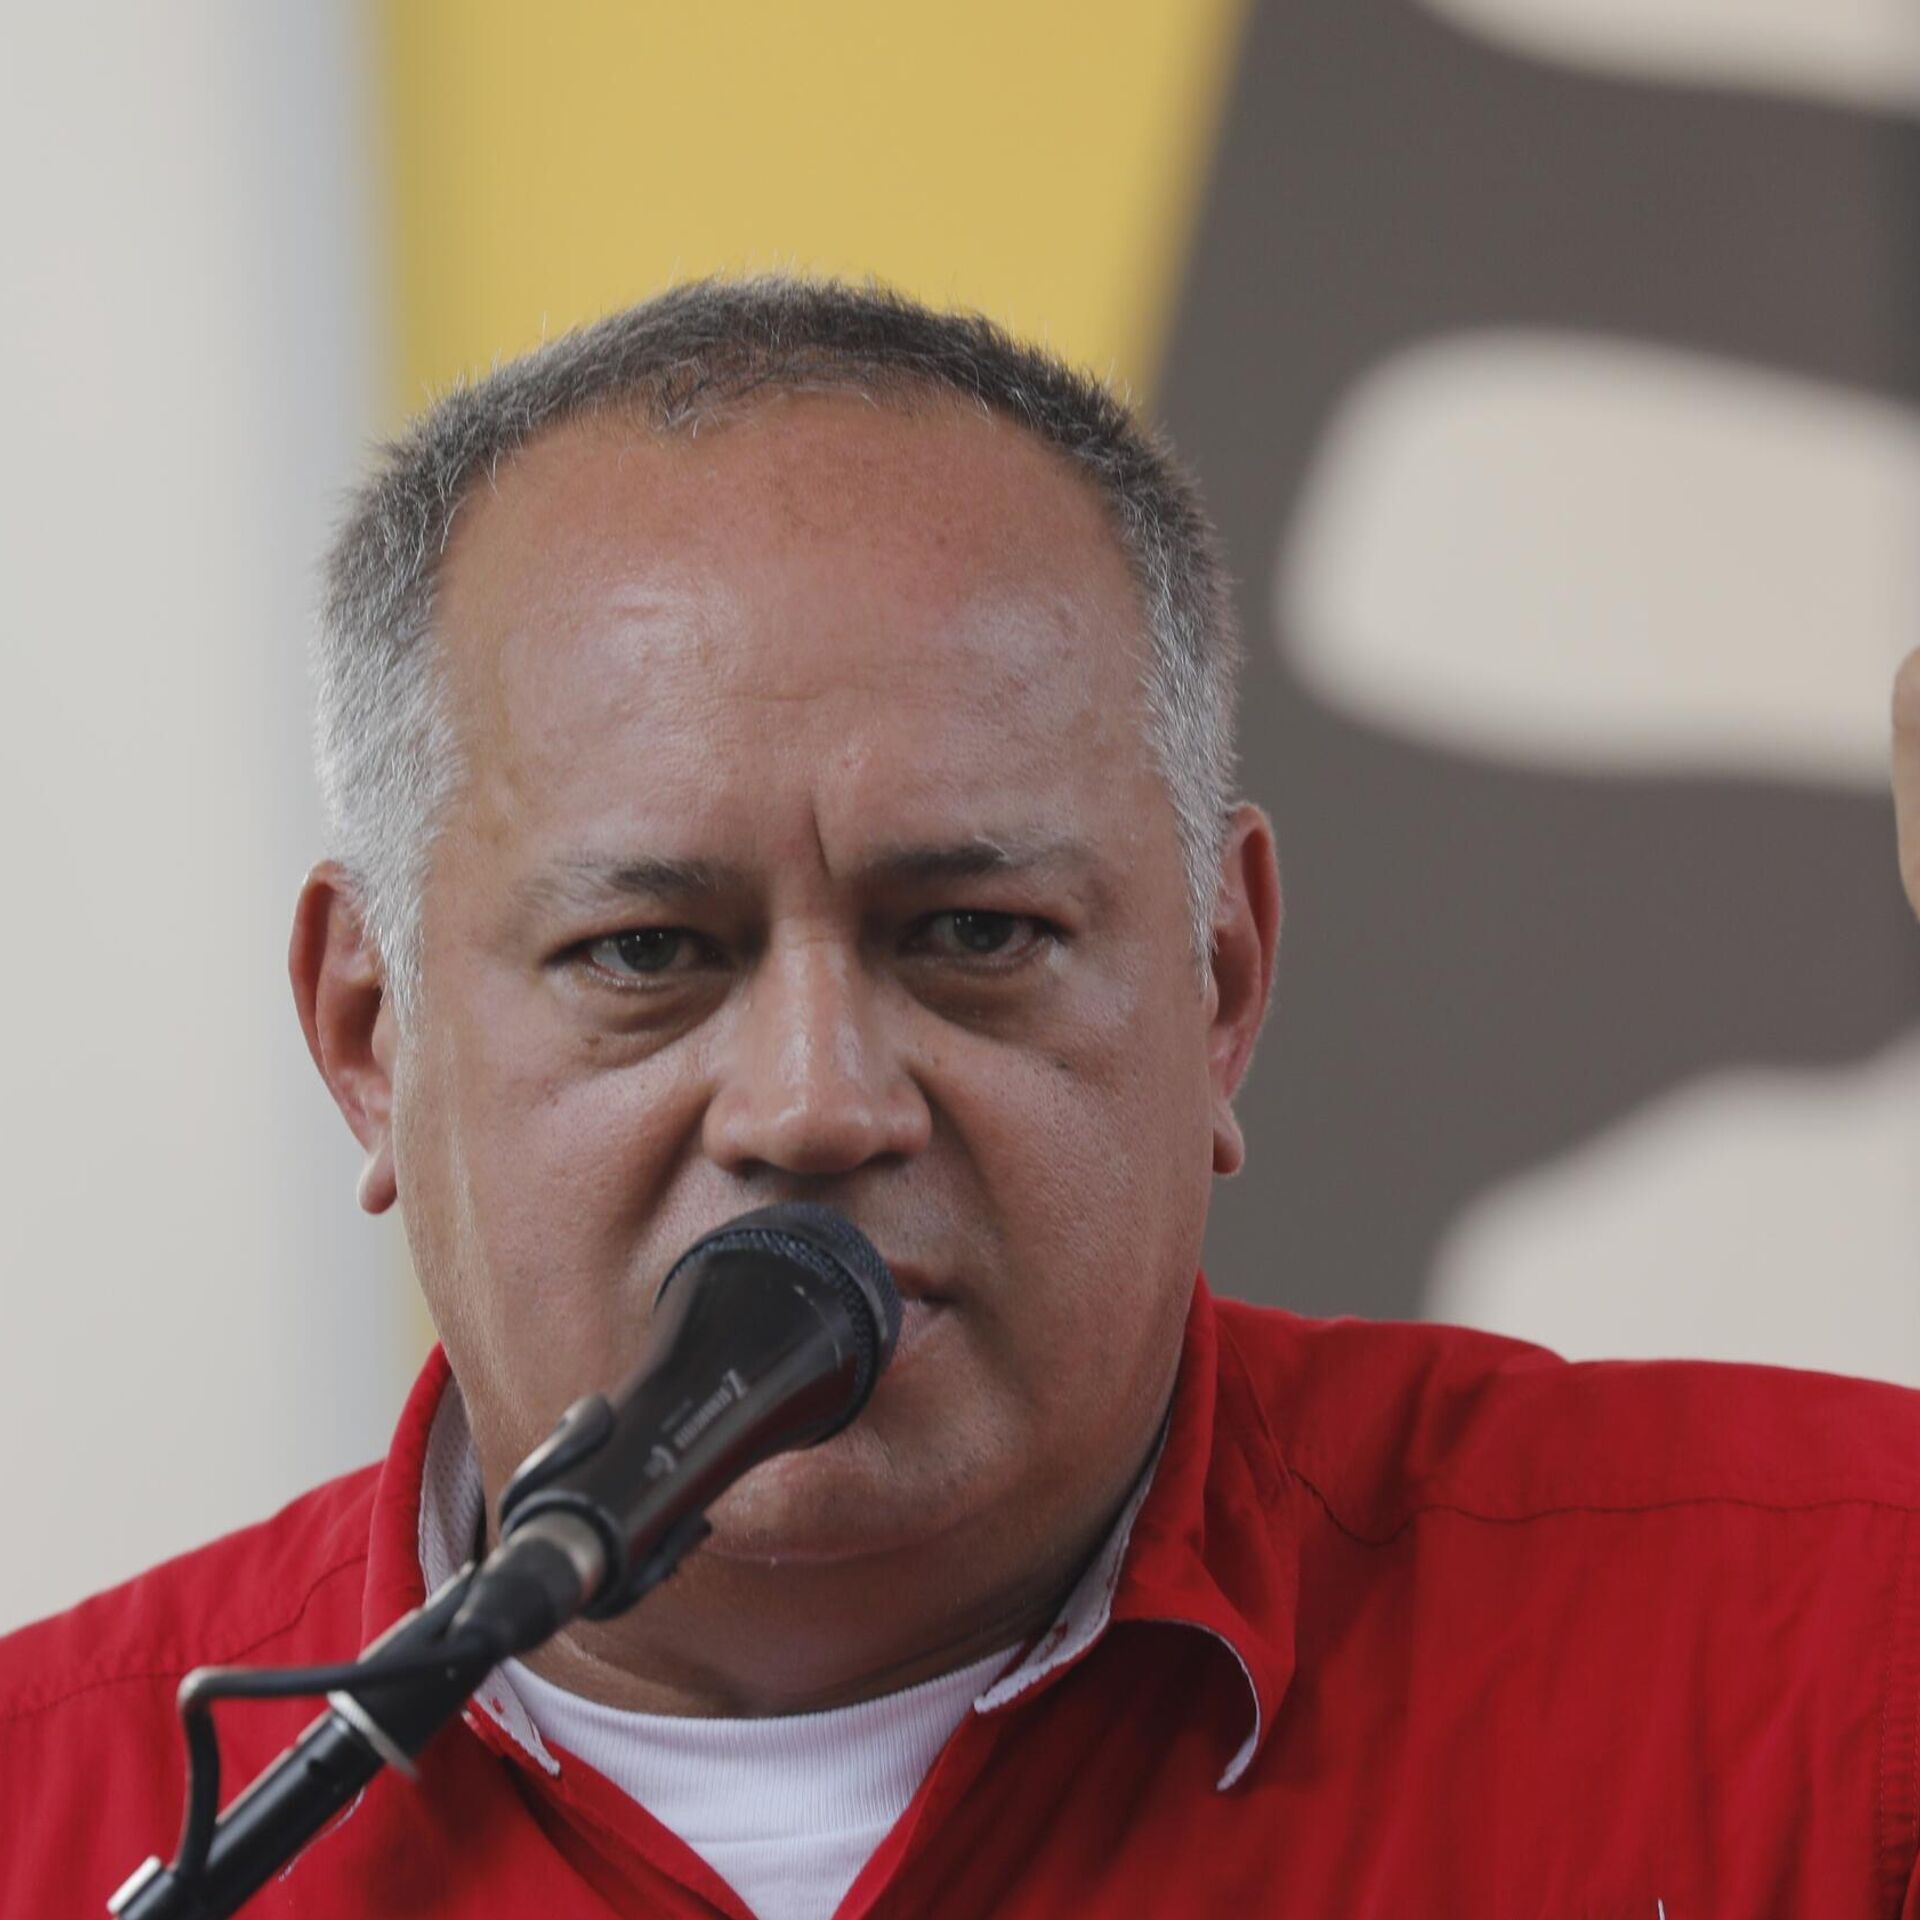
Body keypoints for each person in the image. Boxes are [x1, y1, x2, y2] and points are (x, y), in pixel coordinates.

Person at [4, 278, 1919, 1918]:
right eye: (646, 952)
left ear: (1223, 980)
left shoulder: (1837, 1653)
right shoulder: (40, 1821)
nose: (816, 1104)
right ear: (368, 1036)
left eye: (977, 934)